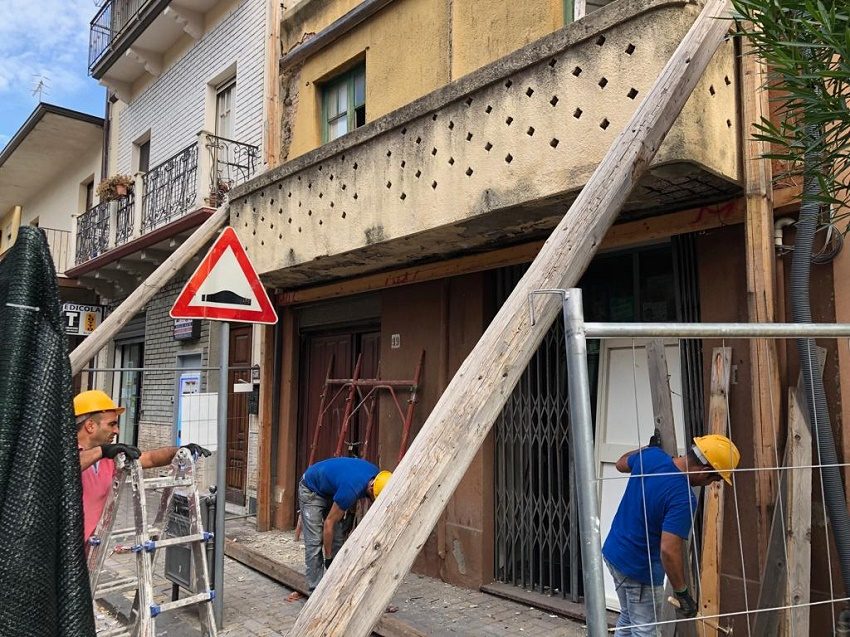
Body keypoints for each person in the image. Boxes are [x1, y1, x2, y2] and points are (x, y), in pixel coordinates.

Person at [602, 434, 740, 636]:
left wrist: (645, 451)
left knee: (629, 618)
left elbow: (621, 464)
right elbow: (668, 549)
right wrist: (682, 592)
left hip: (614, 554)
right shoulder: (683, 498)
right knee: (645, 630)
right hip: (639, 569)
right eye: (715, 478)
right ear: (704, 471)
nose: (712, 484)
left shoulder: (652, 456)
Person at [74, 389, 210, 544]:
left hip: (89, 546)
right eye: (112, 424)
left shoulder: (108, 457)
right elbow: (64, 468)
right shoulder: (59, 450)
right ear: (90, 426)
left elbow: (150, 459)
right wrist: (102, 451)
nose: (116, 430)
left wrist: (181, 451)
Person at [287, 456, 392, 601]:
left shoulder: (378, 477)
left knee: (337, 539)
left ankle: (335, 585)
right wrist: (329, 558)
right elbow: (328, 524)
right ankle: (316, 595)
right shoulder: (351, 489)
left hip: (330, 488)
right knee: (314, 542)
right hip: (311, 489)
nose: (373, 500)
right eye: (374, 497)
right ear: (371, 488)